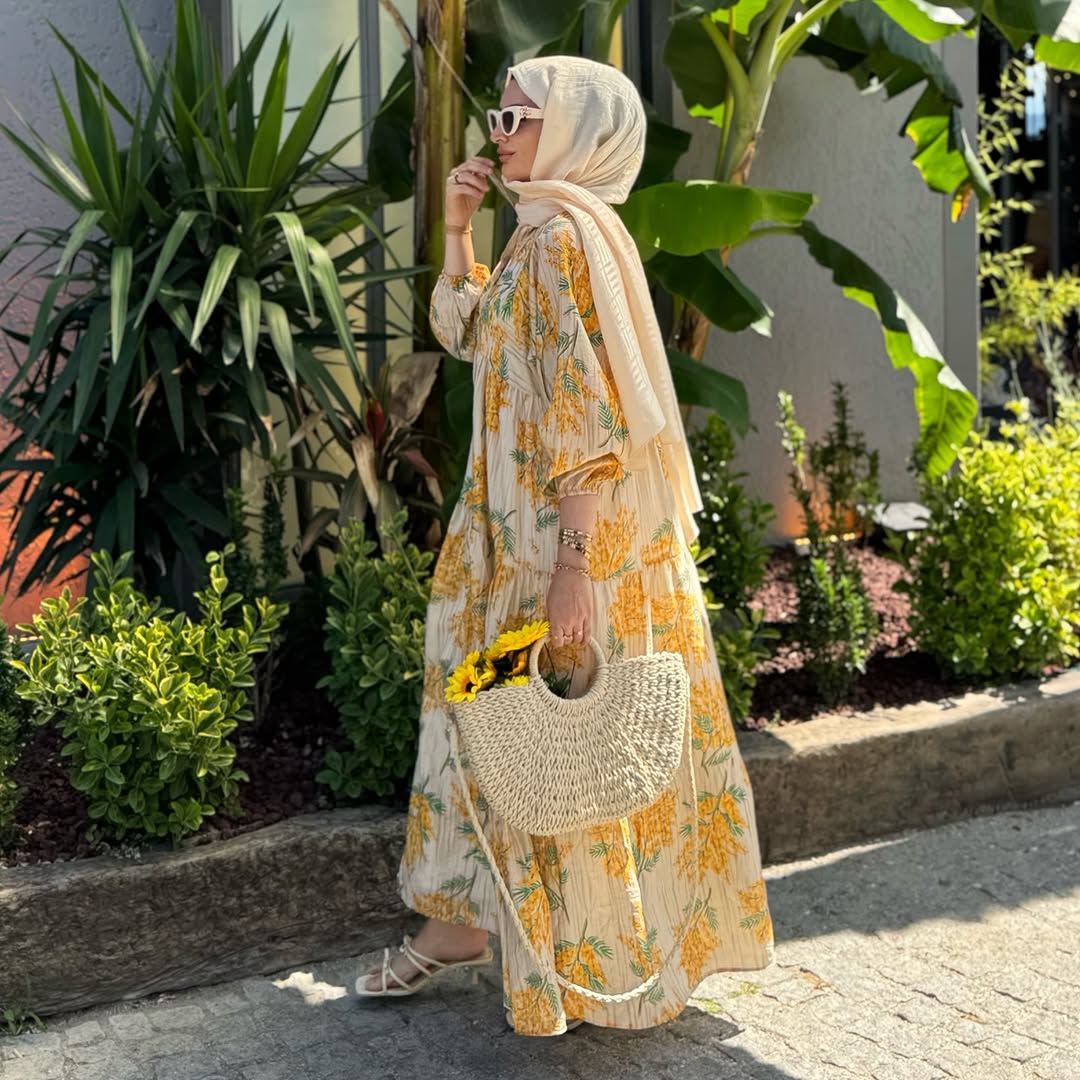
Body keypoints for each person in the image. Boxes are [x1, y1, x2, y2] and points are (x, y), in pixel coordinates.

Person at [358, 55, 775, 1036]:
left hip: (547, 552)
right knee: (501, 729)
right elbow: (467, 333)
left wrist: (571, 573)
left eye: (520, 118)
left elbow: (588, 421)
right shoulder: (542, 233)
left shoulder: (560, 245)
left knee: (548, 741)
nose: (497, 132)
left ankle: (553, 954)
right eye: (499, 116)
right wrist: (458, 231)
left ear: (580, 133)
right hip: (515, 539)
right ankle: (471, 926)